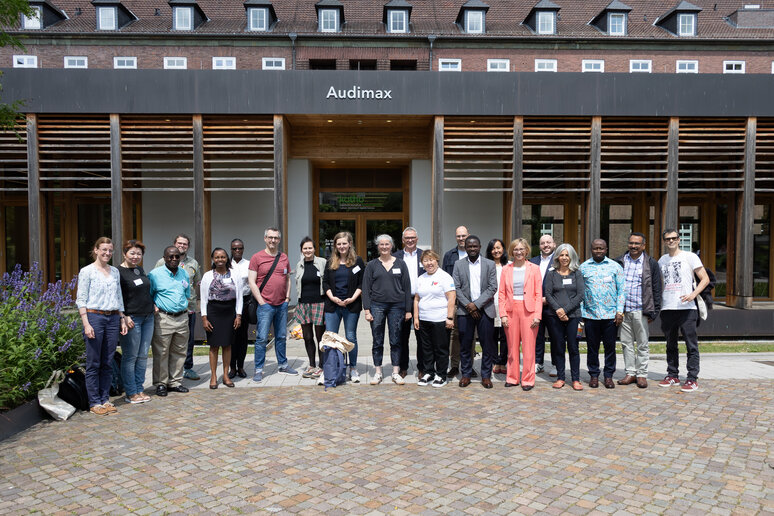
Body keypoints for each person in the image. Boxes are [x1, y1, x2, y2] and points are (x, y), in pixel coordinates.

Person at [76, 237, 128, 415]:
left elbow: (119, 297)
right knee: (94, 362)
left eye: (110, 250)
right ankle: (94, 402)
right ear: (96, 250)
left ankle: (105, 399)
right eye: (104, 249)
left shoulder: (115, 271)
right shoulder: (87, 271)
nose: (107, 253)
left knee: (107, 361)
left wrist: (122, 318)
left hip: (112, 318)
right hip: (94, 317)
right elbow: (81, 299)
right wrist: (86, 323)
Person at [658, 228, 710, 392]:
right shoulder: (662, 260)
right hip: (668, 307)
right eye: (668, 239)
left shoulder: (690, 256)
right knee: (670, 344)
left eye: (674, 238)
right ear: (664, 241)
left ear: (679, 240)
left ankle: (692, 378)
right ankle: (672, 375)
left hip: (687, 308)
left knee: (691, 345)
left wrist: (693, 294)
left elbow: (705, 279)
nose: (671, 241)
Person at [248, 227, 298, 382]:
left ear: (279, 240)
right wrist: (261, 302)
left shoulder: (284, 257)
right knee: (262, 338)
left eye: (276, 238)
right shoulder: (256, 258)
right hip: (265, 305)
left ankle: (283, 365)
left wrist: (287, 298)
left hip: (282, 304)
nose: (273, 240)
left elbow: (287, 279)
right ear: (265, 238)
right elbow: (251, 281)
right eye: (270, 237)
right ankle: (258, 369)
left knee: (281, 337)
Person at [362, 234, 412, 385]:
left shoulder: (401, 264)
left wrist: (408, 310)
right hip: (377, 306)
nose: (384, 247)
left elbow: (407, 287)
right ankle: (378, 372)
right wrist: (367, 310)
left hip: (397, 307)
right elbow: (366, 288)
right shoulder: (372, 265)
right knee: (377, 341)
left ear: (391, 246)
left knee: (396, 340)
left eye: (387, 244)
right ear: (378, 247)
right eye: (381, 244)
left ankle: (395, 372)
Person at [615, 232, 662, 389]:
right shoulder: (619, 262)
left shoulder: (651, 263)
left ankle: (642, 374)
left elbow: (656, 288)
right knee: (626, 343)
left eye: (637, 244)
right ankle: (630, 373)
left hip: (641, 310)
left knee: (642, 344)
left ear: (643, 246)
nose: (633, 246)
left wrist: (654, 311)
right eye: (631, 243)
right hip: (624, 310)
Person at [453, 235, 498, 389]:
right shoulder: (458, 264)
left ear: (480, 247)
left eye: (475, 246)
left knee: (487, 345)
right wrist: (469, 306)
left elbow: (492, 287)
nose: (472, 248)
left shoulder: (489, 264)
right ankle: (466, 374)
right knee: (465, 344)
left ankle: (486, 376)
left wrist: (476, 305)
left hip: (485, 310)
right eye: (469, 246)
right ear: (465, 248)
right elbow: (456, 288)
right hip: (465, 311)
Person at [155, 234, 202, 381]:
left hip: (188, 308)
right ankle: (166, 374)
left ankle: (187, 368)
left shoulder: (193, 263)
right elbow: (154, 283)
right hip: (167, 310)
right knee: (165, 344)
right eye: (179, 243)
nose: (182, 246)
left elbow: (196, 283)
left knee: (187, 341)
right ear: (174, 244)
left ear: (188, 246)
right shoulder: (161, 262)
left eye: (185, 244)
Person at [580, 239, 625, 389]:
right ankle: (593, 375)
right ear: (591, 250)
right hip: (590, 315)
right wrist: (581, 312)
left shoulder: (615, 267)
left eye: (601, 248)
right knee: (592, 347)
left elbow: (621, 291)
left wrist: (619, 311)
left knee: (610, 348)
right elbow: (580, 292)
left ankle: (608, 376)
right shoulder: (583, 267)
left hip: (610, 316)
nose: (598, 251)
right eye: (595, 248)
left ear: (606, 250)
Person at [498, 238, 543, 391]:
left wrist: (537, 315)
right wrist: (503, 314)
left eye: (521, 249)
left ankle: (528, 380)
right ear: (512, 251)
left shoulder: (534, 269)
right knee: (512, 347)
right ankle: (512, 377)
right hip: (511, 310)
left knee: (529, 348)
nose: (518, 252)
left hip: (529, 311)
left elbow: (538, 294)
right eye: (516, 249)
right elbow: (502, 294)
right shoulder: (506, 269)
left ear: (526, 251)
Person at [148, 246, 192, 397]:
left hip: (182, 317)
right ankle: (161, 383)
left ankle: (175, 382)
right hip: (163, 318)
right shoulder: (154, 275)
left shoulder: (184, 273)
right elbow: (149, 295)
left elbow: (187, 293)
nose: (174, 259)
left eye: (177, 256)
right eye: (170, 256)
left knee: (179, 351)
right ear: (164, 258)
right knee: (161, 352)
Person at [323, 231, 365, 383]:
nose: (342, 246)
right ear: (335, 245)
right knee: (330, 338)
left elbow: (361, 283)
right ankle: (330, 369)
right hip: (332, 305)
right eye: (339, 244)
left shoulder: (358, 261)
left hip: (351, 305)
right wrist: (332, 298)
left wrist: (352, 298)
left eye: (344, 243)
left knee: (351, 337)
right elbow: (325, 283)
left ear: (350, 244)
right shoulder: (330, 261)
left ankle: (353, 368)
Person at [543, 243, 585, 391]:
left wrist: (565, 310)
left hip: (573, 316)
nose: (564, 258)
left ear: (572, 257)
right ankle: (561, 377)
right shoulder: (551, 273)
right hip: (554, 317)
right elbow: (548, 294)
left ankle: (575, 379)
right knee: (558, 347)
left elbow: (580, 295)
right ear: (557, 257)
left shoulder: (577, 273)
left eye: (567, 255)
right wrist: (558, 311)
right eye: (562, 255)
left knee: (573, 348)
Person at [118, 239, 154, 404]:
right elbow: (117, 297)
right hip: (132, 318)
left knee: (143, 356)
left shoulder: (139, 270)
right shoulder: (118, 272)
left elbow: (143, 291)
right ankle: (131, 392)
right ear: (124, 253)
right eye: (132, 253)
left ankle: (139, 388)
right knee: (130, 356)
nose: (135, 256)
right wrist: (123, 316)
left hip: (148, 317)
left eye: (139, 254)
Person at [200, 248, 242, 389]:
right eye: (217, 257)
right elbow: (203, 299)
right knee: (214, 345)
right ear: (213, 259)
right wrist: (204, 318)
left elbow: (240, 297)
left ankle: (225, 375)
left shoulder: (234, 274)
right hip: (213, 312)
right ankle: (213, 376)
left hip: (229, 312)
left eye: (223, 257)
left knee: (227, 345)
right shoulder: (207, 276)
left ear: (227, 258)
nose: (220, 260)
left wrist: (238, 315)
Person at [413, 250, 456, 387]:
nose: (429, 263)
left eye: (431, 259)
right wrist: (416, 318)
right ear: (422, 263)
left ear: (437, 260)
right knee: (426, 348)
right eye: (425, 260)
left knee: (440, 348)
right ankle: (429, 372)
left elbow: (452, 298)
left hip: (440, 319)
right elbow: (416, 299)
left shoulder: (445, 277)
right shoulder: (421, 278)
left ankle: (441, 374)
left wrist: (450, 317)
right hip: (424, 319)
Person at [393, 227, 424, 378]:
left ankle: (422, 367)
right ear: (403, 240)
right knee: (402, 336)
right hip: (402, 301)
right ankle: (403, 367)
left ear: (417, 239)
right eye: (407, 238)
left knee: (422, 336)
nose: (410, 240)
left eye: (412, 238)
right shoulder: (395, 257)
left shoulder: (424, 255)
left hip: (421, 301)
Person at [294, 237, 327, 380]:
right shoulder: (299, 265)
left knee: (320, 337)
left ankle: (322, 366)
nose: (307, 251)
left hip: (319, 303)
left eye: (310, 248)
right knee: (307, 337)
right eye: (305, 248)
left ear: (314, 249)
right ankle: (312, 364)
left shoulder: (322, 262)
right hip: (303, 304)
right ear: (301, 250)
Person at [442, 225, 472, 378]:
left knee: (470, 334)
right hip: (453, 301)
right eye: (458, 236)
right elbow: (444, 278)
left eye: (463, 236)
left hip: (471, 302)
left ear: (468, 235)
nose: (461, 238)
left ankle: (469, 365)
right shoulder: (449, 255)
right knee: (454, 334)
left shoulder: (474, 253)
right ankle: (454, 365)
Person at [529, 234, 556, 375]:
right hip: (535, 306)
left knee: (554, 336)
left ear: (554, 244)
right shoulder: (532, 262)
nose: (546, 245)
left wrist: (548, 299)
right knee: (537, 336)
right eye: (543, 243)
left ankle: (556, 364)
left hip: (552, 306)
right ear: (539, 246)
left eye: (548, 242)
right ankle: (538, 363)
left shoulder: (559, 261)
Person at [486, 238, 509, 375]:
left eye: (498, 247)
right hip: (490, 304)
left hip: (506, 305)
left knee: (506, 336)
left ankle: (503, 362)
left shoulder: (509, 265)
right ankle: (495, 361)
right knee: (492, 335)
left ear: (503, 249)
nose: (496, 251)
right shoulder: (486, 265)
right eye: (493, 248)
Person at [229, 238, 251, 379]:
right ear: (231, 249)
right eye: (235, 248)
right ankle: (232, 367)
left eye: (240, 248)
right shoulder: (226, 264)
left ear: (243, 249)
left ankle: (241, 366)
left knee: (243, 336)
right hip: (230, 303)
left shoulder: (249, 264)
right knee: (231, 336)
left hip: (245, 302)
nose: (237, 250)